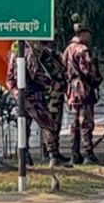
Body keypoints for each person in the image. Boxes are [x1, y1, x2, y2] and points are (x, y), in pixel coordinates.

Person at [6, 41, 72, 169]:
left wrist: (15, 91)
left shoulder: (15, 54)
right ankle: (54, 155)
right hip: (34, 94)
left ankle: (24, 156)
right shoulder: (29, 54)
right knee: (47, 124)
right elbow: (36, 74)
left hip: (21, 95)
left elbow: (9, 77)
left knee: (24, 126)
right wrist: (52, 84)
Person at [63, 23, 103, 165]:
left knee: (75, 124)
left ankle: (74, 153)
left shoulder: (68, 49)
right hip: (83, 89)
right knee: (86, 123)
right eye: (88, 34)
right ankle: (88, 153)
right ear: (83, 34)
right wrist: (97, 79)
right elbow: (88, 70)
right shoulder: (82, 50)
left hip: (72, 90)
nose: (90, 37)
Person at [37, 39, 70, 164]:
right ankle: (49, 152)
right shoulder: (42, 56)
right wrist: (51, 84)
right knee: (50, 123)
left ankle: (55, 151)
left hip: (58, 94)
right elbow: (41, 74)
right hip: (50, 95)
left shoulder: (55, 54)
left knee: (56, 123)